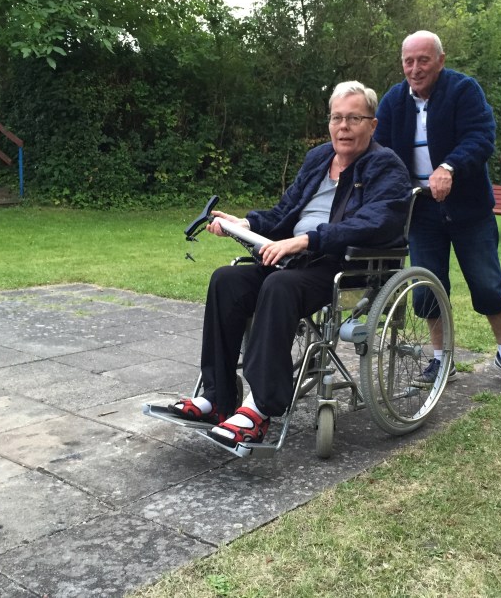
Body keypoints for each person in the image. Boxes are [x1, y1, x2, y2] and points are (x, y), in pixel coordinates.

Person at [169, 81, 412, 447]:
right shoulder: (318, 158)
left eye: (354, 118)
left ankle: (260, 408)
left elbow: (376, 222)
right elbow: (284, 212)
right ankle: (217, 398)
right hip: (293, 259)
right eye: (336, 118)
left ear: (372, 124)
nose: (343, 126)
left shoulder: (385, 165)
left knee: (278, 285)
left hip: (342, 266)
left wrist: (307, 240)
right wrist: (245, 223)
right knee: (226, 280)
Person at [374, 30, 501, 389]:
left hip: (469, 209)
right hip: (421, 212)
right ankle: (441, 359)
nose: (415, 68)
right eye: (408, 61)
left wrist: (449, 167)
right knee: (426, 289)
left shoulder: (464, 90)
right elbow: (380, 150)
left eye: (423, 60)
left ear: (441, 60)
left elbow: (481, 137)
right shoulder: (393, 102)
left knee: (488, 284)